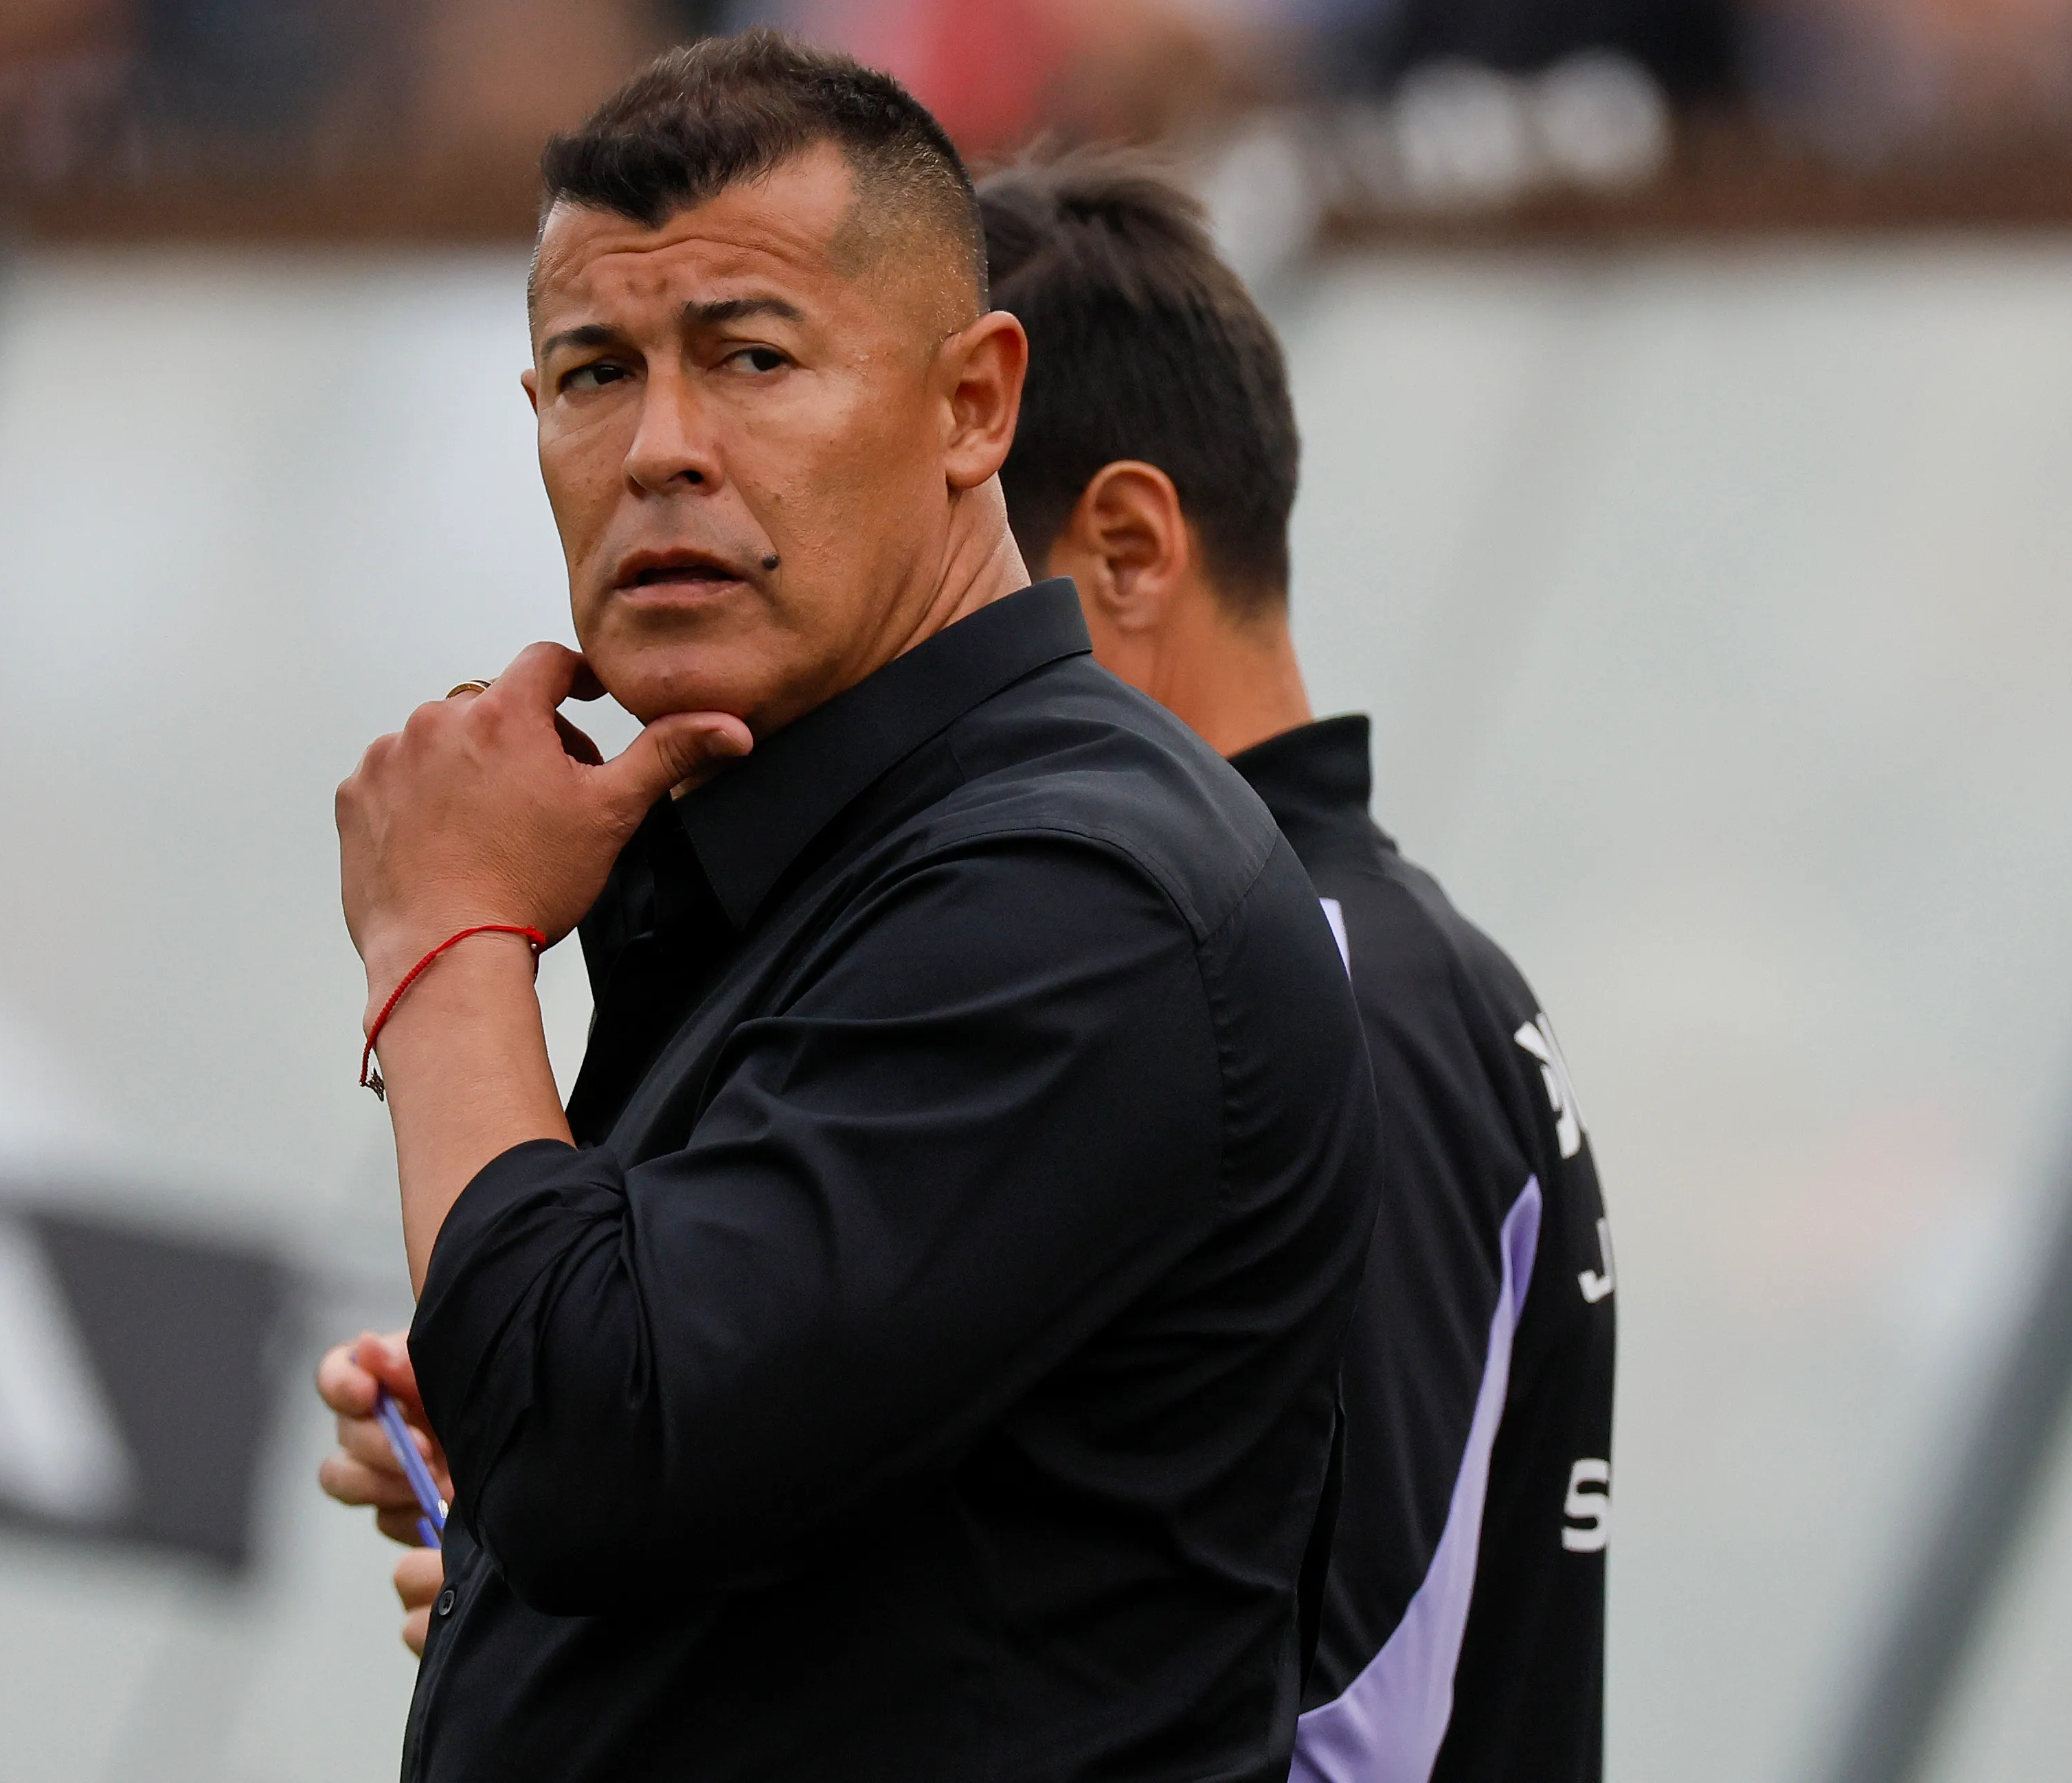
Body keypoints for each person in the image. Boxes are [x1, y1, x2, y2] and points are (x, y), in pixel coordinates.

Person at [321, 32, 1375, 1782]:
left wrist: (444, 945)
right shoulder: (818, 841)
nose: (663, 447)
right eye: (594, 372)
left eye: (750, 357)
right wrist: (502, 1387)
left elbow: (605, 1449)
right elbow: (741, 1466)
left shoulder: (1077, 883)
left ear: (975, 407)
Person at [978, 154, 1617, 1782]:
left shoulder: (1312, 987)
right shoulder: (1259, 965)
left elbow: (1344, 1737)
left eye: (932, 592)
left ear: (1124, 549)